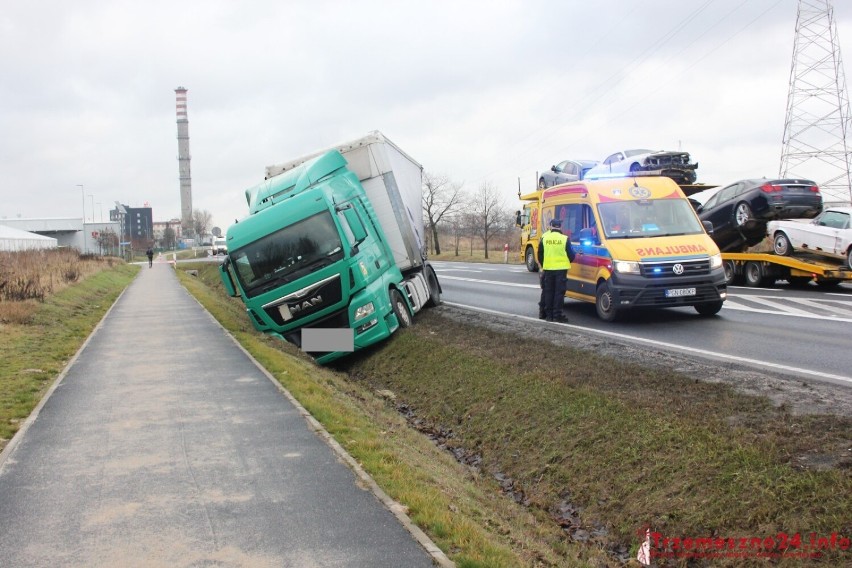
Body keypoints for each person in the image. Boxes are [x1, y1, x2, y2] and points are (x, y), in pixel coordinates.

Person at [537, 218, 574, 322]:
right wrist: (566, 261)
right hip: (561, 270)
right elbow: (571, 255)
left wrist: (545, 264)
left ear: (551, 226)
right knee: (559, 293)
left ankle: (548, 316)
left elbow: (540, 254)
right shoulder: (564, 238)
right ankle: (557, 315)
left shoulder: (545, 238)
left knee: (548, 292)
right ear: (560, 226)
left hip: (548, 269)